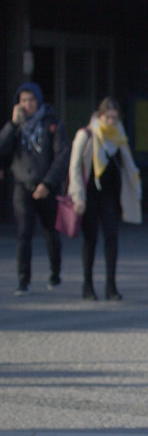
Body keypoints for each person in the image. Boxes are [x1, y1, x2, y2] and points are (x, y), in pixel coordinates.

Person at [68, 98, 142, 300]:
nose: (111, 121)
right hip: (89, 195)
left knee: (112, 238)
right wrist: (77, 196)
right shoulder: (86, 135)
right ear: (99, 116)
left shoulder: (118, 136)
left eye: (115, 118)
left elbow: (128, 165)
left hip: (110, 196)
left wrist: (135, 188)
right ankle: (88, 285)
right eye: (108, 117)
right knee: (90, 240)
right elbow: (74, 167)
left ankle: (111, 287)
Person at [0, 83, 69, 295]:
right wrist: (12, 124)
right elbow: (2, 149)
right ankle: (23, 280)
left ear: (38, 100)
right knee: (23, 234)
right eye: (23, 101)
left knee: (50, 232)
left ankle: (55, 273)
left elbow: (62, 155)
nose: (27, 105)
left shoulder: (52, 123)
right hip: (23, 184)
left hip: (47, 185)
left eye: (31, 100)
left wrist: (47, 183)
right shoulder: (17, 126)